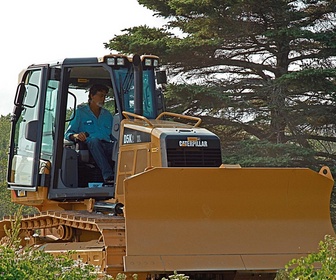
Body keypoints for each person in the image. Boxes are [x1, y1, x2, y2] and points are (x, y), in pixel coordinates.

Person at [65, 84, 114, 184]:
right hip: (89, 146)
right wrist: (77, 136)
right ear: (92, 96)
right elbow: (68, 133)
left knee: (120, 147)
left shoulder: (108, 115)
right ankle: (108, 176)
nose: (103, 99)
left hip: (106, 145)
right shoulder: (80, 113)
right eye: (101, 95)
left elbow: (114, 135)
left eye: (104, 96)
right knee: (94, 141)